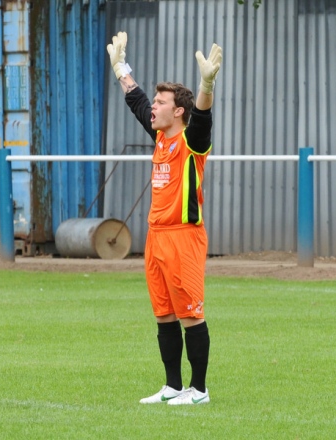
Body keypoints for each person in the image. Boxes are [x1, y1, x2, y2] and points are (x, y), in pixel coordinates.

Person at [107, 31, 222, 405]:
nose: (153, 108)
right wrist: (121, 67)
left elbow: (202, 114)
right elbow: (136, 100)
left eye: (161, 103)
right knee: (164, 314)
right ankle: (173, 386)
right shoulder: (160, 137)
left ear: (178, 112)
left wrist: (206, 84)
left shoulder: (191, 140)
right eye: (155, 102)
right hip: (156, 238)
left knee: (190, 314)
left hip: (184, 237)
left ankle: (199, 390)